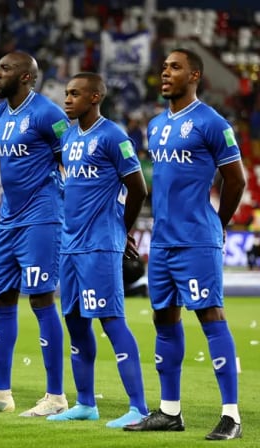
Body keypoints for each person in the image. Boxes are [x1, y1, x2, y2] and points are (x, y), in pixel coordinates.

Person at [124, 48, 246, 440]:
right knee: (164, 319)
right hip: (162, 242)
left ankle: (231, 416)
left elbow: (236, 180)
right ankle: (169, 411)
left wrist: (217, 224)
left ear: (194, 76)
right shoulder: (156, 124)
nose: (165, 73)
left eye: (175, 67)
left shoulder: (212, 123)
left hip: (196, 240)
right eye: (163, 67)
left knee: (211, 316)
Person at [0, 51, 69, 415]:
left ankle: (56, 397)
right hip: (8, 220)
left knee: (41, 299)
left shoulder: (49, 114)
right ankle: (1, 394)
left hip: (42, 217)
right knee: (2, 300)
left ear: (25, 77)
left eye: (4, 69)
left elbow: (73, 159)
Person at [46, 72, 149, 428]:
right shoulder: (70, 136)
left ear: (95, 97)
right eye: (66, 93)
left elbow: (138, 189)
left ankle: (138, 407)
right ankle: (86, 403)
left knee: (111, 320)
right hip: (70, 245)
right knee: (75, 322)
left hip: (100, 244)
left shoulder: (113, 136)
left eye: (75, 94)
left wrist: (122, 229)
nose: (67, 99)